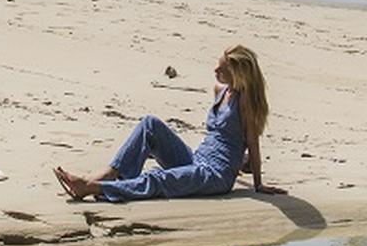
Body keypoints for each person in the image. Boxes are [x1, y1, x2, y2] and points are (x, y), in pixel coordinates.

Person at [55, 45, 282, 202]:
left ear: (237, 73)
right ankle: (108, 176)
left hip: (215, 175)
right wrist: (243, 164)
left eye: (222, 69)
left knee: (158, 179)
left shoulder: (246, 102)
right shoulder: (219, 91)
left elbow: (252, 141)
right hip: (197, 159)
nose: (215, 70)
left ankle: (91, 187)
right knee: (150, 125)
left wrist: (258, 184)